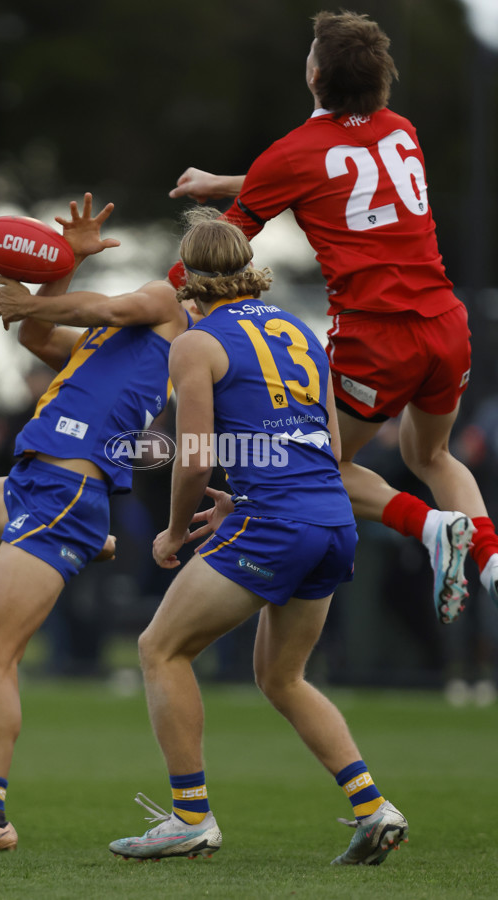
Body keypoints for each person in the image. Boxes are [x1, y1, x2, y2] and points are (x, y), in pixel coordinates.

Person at [167, 9, 498, 624]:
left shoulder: (293, 153)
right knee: (433, 456)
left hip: (378, 334)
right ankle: (490, 559)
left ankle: (429, 528)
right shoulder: (402, 131)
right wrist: (232, 181)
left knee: (317, 466)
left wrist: (147, 304)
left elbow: (210, 256)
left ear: (314, 73)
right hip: (447, 324)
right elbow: (340, 173)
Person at [109, 210, 409, 866]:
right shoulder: (299, 331)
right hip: (332, 521)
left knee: (160, 648)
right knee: (282, 676)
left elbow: (190, 456)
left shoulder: (196, 341)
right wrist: (247, 500)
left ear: (188, 278)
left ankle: (190, 816)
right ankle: (372, 806)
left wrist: (170, 533)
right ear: (248, 269)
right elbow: (328, 446)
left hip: (276, 522)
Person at [0, 194, 198, 852]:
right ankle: (81, 542)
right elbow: (42, 336)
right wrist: (62, 267)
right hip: (37, 485)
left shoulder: (165, 309)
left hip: (65, 488)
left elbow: (90, 308)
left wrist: (41, 292)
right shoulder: (112, 344)